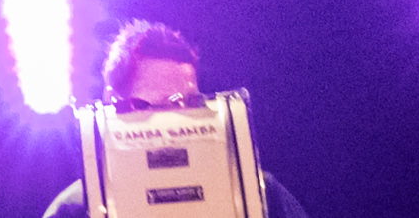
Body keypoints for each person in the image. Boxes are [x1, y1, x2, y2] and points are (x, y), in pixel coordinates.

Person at [39, 21, 310, 218]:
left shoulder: (258, 193)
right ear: (113, 104)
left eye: (187, 103)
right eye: (148, 106)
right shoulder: (75, 208)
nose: (175, 120)